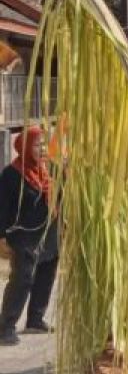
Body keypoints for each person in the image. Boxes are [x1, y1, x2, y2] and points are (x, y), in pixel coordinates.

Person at [0, 128, 59, 345]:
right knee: (22, 278)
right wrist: (1, 236)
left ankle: (35, 319)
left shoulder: (46, 170)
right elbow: (3, 207)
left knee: (47, 272)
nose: (42, 148)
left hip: (48, 231)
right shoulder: (11, 174)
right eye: (37, 145)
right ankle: (6, 326)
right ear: (24, 147)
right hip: (23, 234)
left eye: (44, 144)